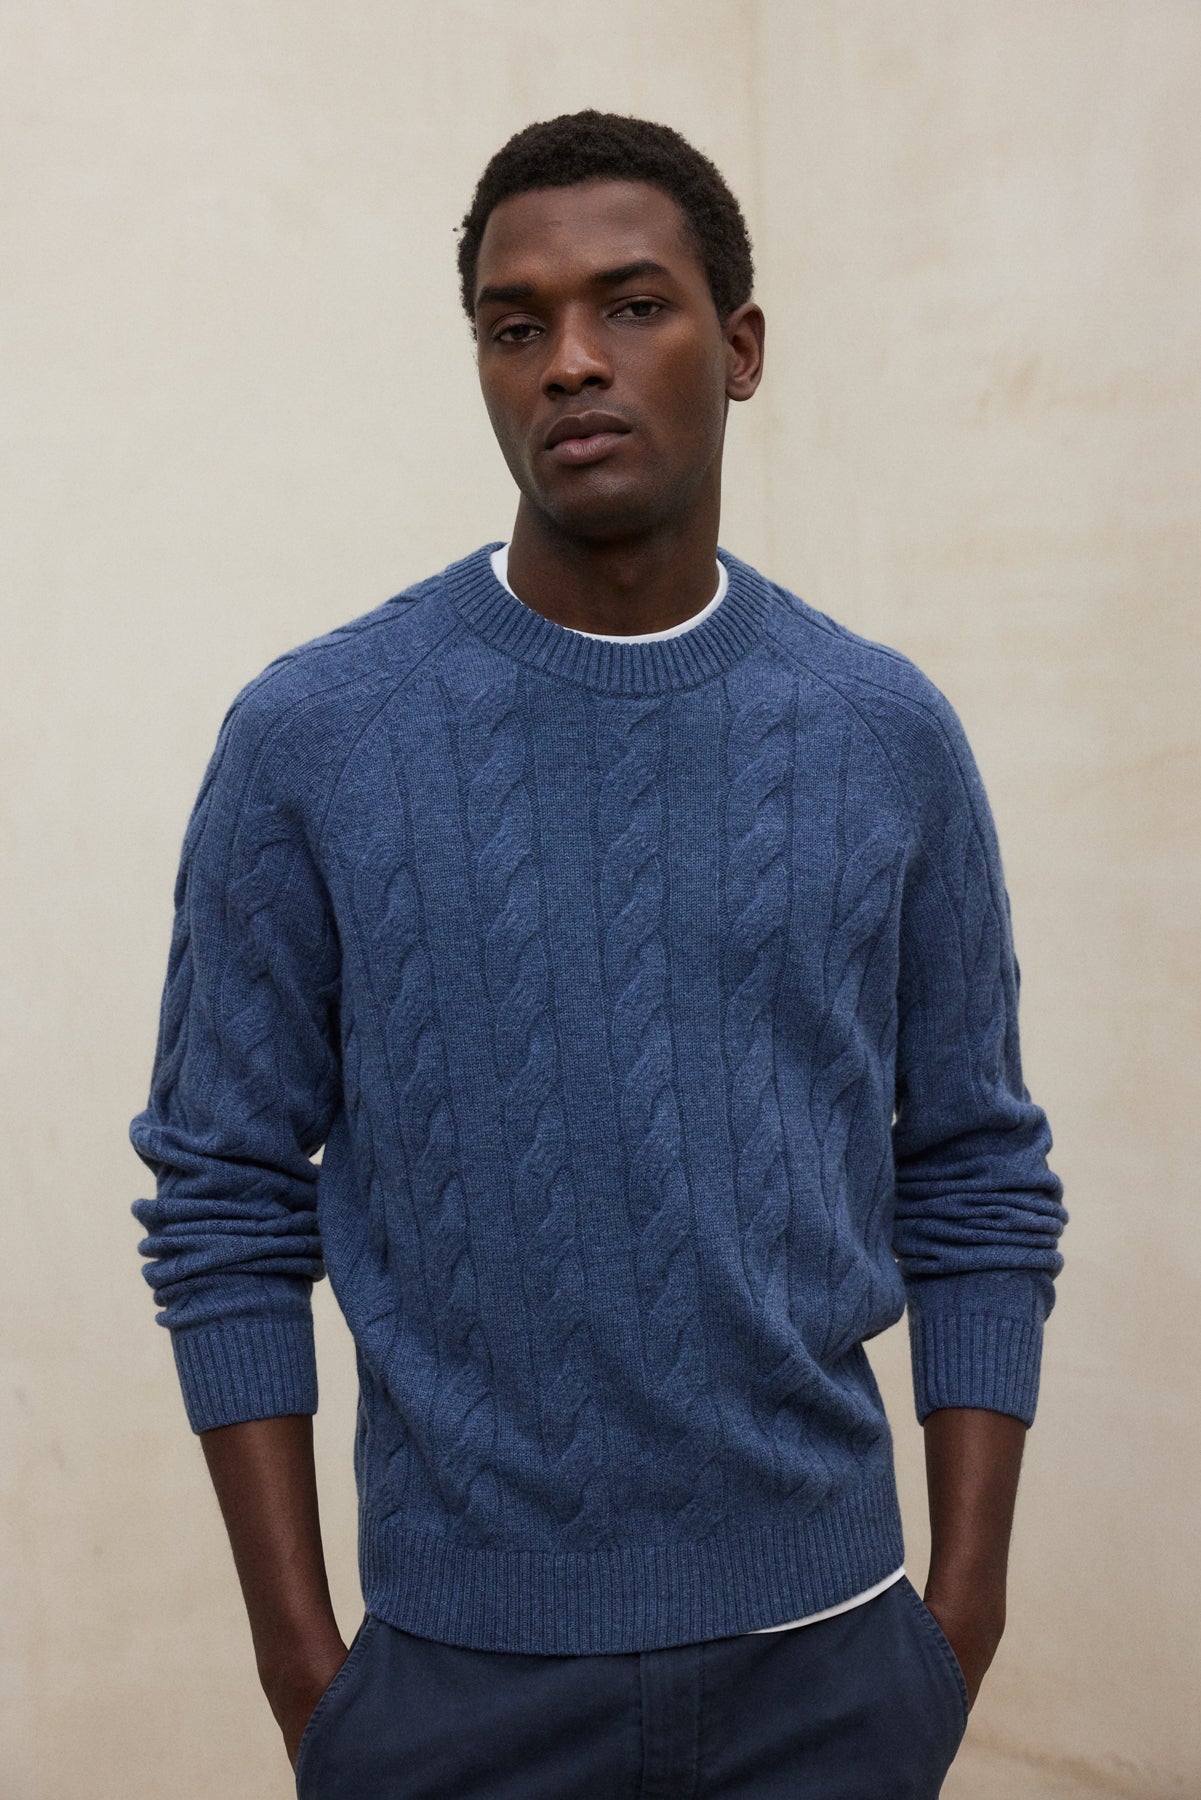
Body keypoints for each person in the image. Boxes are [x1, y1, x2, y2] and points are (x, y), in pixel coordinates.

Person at [129, 109, 1067, 1799]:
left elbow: (976, 1171)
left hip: (835, 1672)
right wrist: (307, 1679)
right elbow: (222, 1195)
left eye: (631, 305)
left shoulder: (880, 733)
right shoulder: (315, 738)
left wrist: (960, 1620)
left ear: (741, 348)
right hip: (452, 1691)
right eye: (516, 325)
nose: (570, 360)